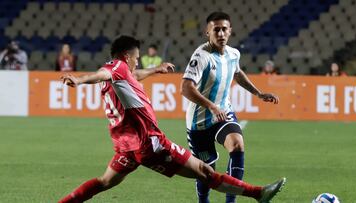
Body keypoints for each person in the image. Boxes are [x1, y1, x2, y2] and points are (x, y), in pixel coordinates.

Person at [58, 35, 285, 203]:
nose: (137, 62)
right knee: (204, 171)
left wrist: (157, 69)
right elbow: (102, 73)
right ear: (127, 57)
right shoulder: (115, 67)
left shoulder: (122, 77)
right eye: (136, 58)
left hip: (126, 147)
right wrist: (79, 81)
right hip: (150, 143)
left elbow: (133, 75)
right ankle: (258, 194)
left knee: (104, 182)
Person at [181, 12, 280, 203]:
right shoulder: (201, 56)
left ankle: (230, 202)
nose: (220, 33)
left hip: (223, 113)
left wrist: (259, 93)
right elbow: (186, 87)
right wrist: (210, 106)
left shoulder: (234, 54)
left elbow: (237, 72)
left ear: (230, 31)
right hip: (199, 123)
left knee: (237, 144)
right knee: (206, 170)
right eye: (215, 30)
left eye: (224, 29)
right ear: (207, 32)